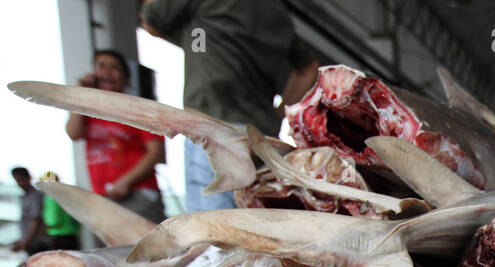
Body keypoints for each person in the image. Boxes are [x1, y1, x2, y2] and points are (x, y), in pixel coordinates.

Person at [140, 0, 319, 212]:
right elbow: (309, 67)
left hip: (211, 126)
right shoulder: (277, 13)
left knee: (210, 231)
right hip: (259, 136)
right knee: (251, 222)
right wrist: (280, 112)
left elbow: (151, 19)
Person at [65, 50, 167, 222]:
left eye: (115, 68)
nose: (107, 71)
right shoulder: (88, 111)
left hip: (139, 194)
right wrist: (79, 96)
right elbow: (73, 133)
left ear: (127, 78)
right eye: (101, 66)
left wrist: (125, 182)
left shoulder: (139, 109)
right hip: (103, 196)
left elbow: (156, 152)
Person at [30, 173, 81, 252]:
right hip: (72, 235)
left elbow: (54, 221)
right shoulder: (67, 195)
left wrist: (43, 229)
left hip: (58, 236)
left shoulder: (52, 196)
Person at [9, 167, 45, 252]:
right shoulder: (25, 196)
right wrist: (22, 241)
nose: (20, 184)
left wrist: (26, 242)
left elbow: (35, 220)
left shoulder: (35, 196)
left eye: (21, 180)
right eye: (17, 181)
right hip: (30, 242)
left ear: (29, 178)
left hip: (37, 242)